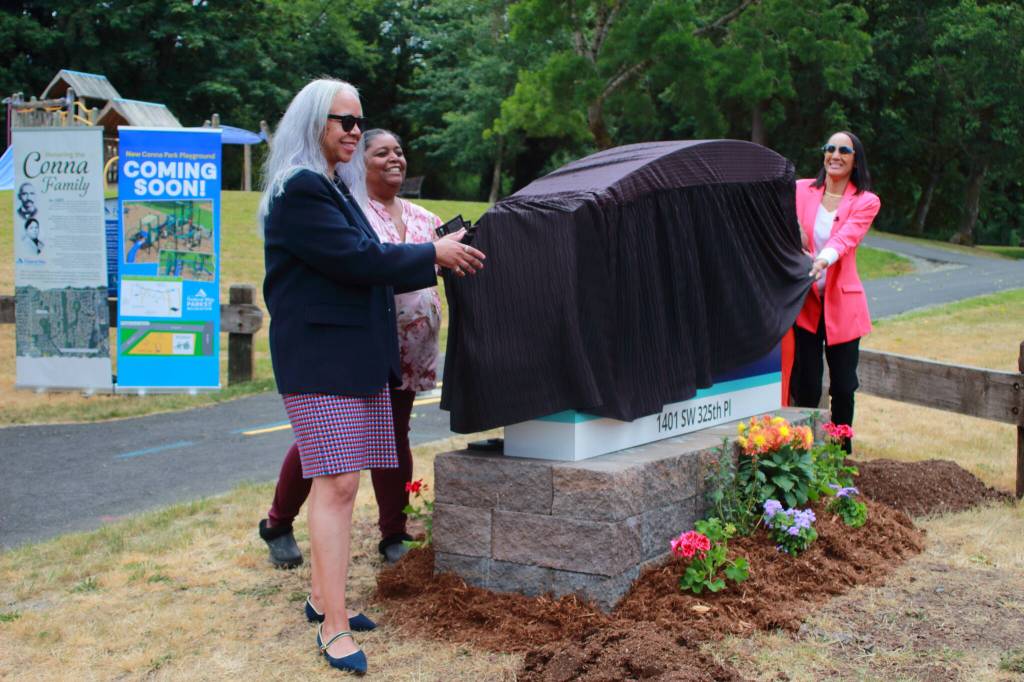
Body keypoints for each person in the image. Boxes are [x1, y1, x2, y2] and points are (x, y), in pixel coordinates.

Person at [261, 78, 484, 674]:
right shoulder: (303, 190)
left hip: (350, 361)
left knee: (342, 486)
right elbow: (359, 262)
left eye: (360, 122)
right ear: (314, 123)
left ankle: (320, 599)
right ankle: (333, 627)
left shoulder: (333, 187)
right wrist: (432, 257)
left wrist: (440, 256)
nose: (356, 132)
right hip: (322, 362)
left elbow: (371, 269)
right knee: (335, 488)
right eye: (344, 122)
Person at [258, 129, 444, 568]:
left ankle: (393, 532)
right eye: (381, 152)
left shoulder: (423, 217)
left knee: (393, 439)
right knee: (323, 444)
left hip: (410, 349)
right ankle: (278, 521)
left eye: (399, 150)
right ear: (359, 162)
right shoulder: (347, 210)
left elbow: (440, 260)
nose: (394, 158)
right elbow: (366, 262)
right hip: (360, 343)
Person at [790, 131, 880, 453]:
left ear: (856, 159)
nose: (835, 155)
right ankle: (803, 454)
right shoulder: (801, 190)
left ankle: (840, 458)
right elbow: (786, 228)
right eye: (830, 148)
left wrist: (823, 259)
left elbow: (846, 238)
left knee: (842, 386)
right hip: (806, 305)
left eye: (844, 150)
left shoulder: (866, 201)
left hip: (843, 306)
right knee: (806, 384)